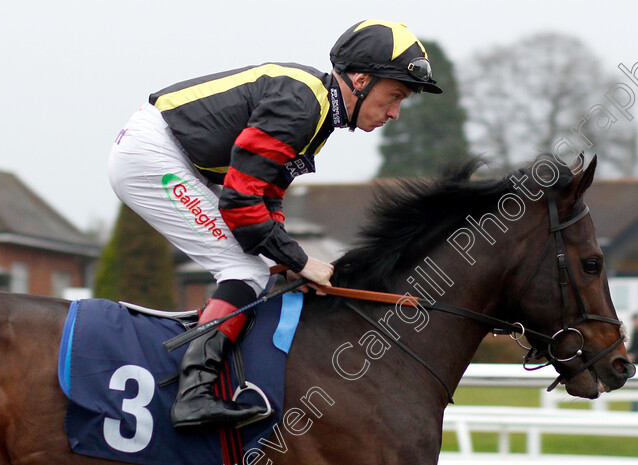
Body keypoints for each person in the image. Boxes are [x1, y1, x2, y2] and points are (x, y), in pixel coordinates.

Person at [108, 20, 442, 428]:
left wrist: (285, 258)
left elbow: (268, 193)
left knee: (260, 266)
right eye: (395, 96)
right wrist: (300, 260)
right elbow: (240, 201)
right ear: (360, 79)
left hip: (171, 156)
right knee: (244, 269)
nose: (394, 112)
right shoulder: (302, 104)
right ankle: (192, 393)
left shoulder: (317, 110)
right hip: (152, 157)